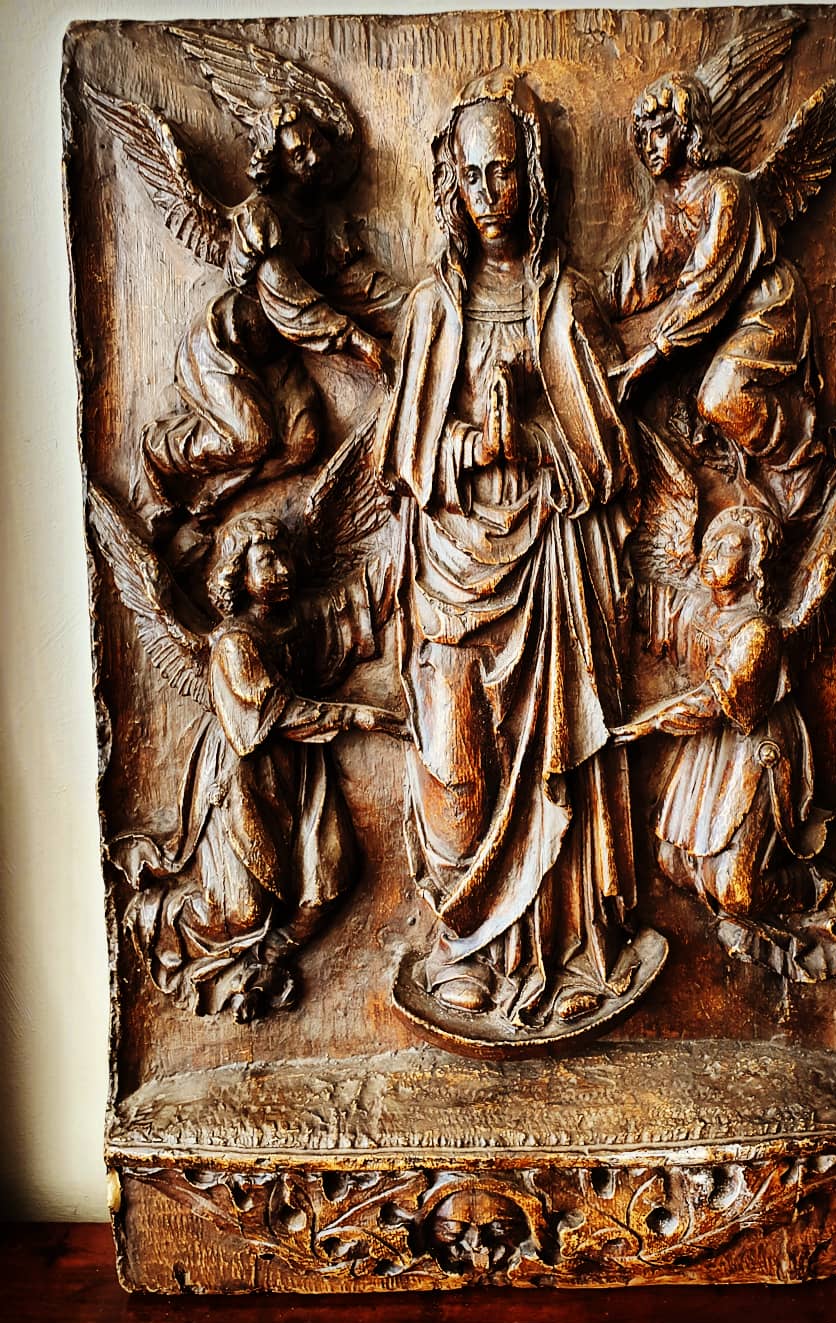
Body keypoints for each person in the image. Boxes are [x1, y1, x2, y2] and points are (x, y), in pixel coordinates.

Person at [375, 71, 643, 1029]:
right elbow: (402, 456)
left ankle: (547, 952)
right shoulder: (432, 310)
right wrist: (470, 447)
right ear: (452, 185)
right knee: (457, 759)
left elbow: (606, 455)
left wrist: (531, 441)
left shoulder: (562, 302)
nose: (491, 193)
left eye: (506, 172)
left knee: (542, 766)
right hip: (454, 568)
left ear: (532, 179)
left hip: (545, 569)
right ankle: (465, 947)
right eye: (474, 175)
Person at [116, 511, 401, 1021]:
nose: (282, 569)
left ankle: (266, 961)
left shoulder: (297, 622)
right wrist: (359, 715)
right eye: (266, 560)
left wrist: (405, 548)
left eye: (284, 556)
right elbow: (271, 713)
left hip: (300, 770)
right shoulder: (233, 643)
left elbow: (352, 605)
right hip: (243, 776)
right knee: (243, 910)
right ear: (238, 575)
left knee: (328, 878)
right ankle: (159, 919)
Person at [142, 102, 402, 517]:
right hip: (224, 345)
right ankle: (161, 448)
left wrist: (419, 307)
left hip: (274, 355)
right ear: (276, 165)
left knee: (303, 441)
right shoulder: (259, 219)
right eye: (298, 154)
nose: (314, 158)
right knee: (252, 437)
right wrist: (363, 344)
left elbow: (359, 287)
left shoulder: (322, 220)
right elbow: (290, 307)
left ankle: (219, 494)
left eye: (315, 143)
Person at [605, 73, 832, 523]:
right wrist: (579, 303)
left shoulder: (726, 191)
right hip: (717, 324)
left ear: (688, 129)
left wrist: (648, 357)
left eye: (661, 130)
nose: (650, 145)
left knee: (719, 399)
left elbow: (705, 289)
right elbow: (634, 278)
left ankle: (802, 464)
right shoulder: (667, 207)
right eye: (643, 135)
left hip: (765, 310)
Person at [613, 505, 825, 918]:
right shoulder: (699, 610)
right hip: (708, 750)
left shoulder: (758, 633)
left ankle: (815, 891)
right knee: (672, 864)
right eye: (710, 544)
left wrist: (649, 723)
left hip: (750, 747)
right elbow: (650, 606)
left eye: (728, 548)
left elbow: (713, 702)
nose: (710, 555)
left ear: (754, 564)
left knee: (736, 890)